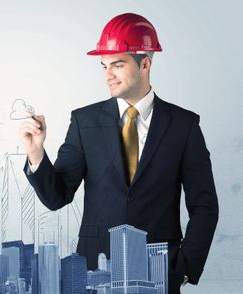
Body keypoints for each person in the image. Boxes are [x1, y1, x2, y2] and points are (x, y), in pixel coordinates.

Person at [19, 13, 218, 293]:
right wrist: (36, 153)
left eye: (117, 64)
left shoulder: (184, 125)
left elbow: (205, 206)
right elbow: (57, 197)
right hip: (93, 272)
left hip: (157, 271)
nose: (108, 75)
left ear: (145, 63)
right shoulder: (84, 121)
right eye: (104, 66)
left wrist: (184, 266)